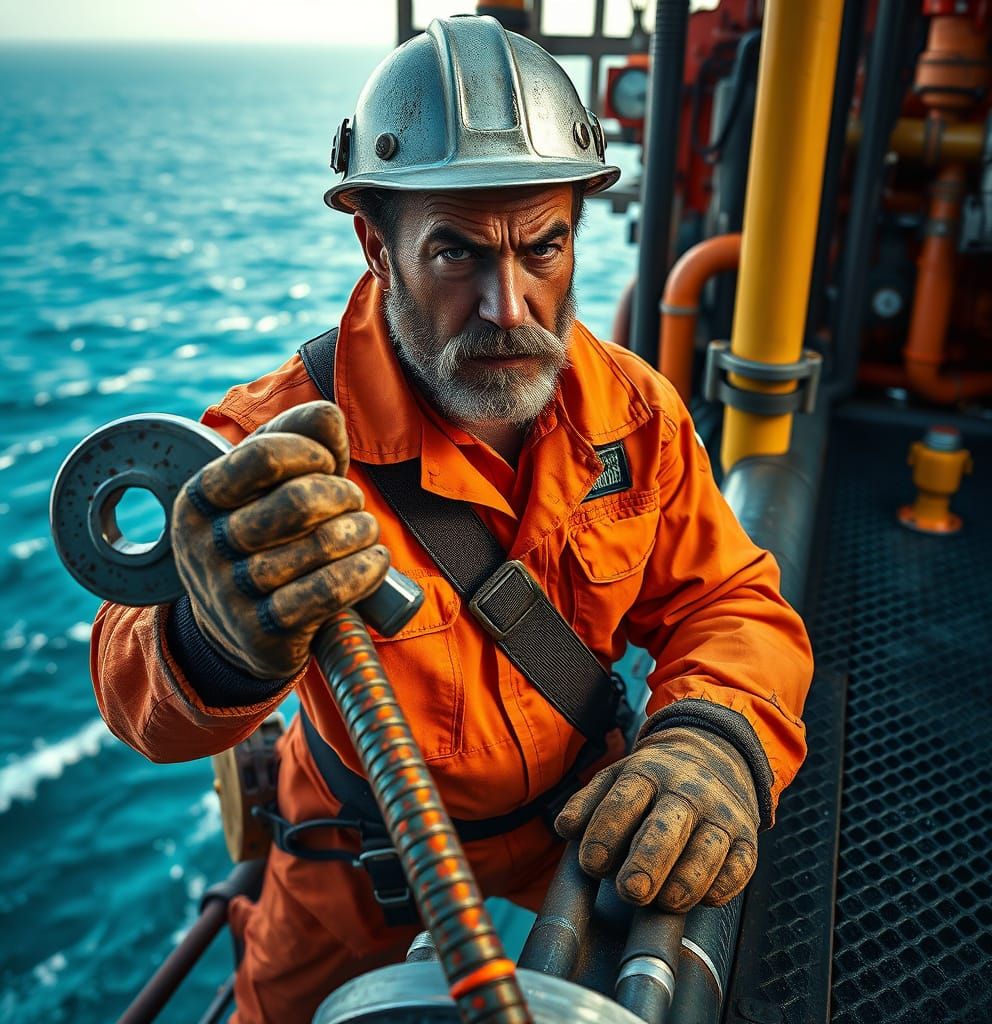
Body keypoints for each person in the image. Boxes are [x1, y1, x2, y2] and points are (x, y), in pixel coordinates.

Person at [91, 15, 813, 1023]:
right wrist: (218, 638)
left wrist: (712, 739)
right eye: (456, 253)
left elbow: (729, 600)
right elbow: (133, 683)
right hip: (356, 868)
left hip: (577, 839)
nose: (508, 306)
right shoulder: (275, 440)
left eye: (543, 246)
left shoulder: (629, 412)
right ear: (374, 247)